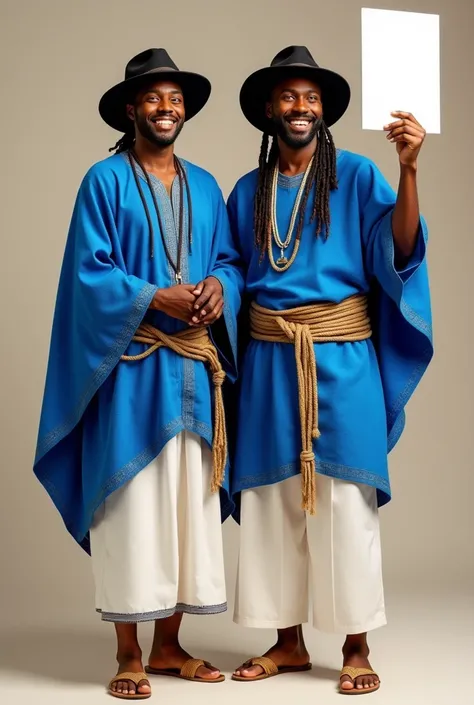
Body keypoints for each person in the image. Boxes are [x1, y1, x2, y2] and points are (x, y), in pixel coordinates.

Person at [34, 48, 243, 700]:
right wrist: (155, 297)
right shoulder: (104, 181)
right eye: (154, 97)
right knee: (131, 506)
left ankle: (172, 644)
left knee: (185, 504)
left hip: (194, 376)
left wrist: (218, 288)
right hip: (131, 370)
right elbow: (88, 274)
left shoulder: (207, 186)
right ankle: (128, 650)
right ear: (131, 109)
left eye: (175, 97)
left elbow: (232, 261)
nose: (166, 107)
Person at [227, 46, 433, 695]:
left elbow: (398, 248)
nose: (300, 106)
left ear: (323, 110)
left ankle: (355, 642)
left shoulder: (359, 173)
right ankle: (285, 641)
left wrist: (409, 171)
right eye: (288, 96)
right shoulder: (247, 191)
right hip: (268, 360)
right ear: (268, 109)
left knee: (345, 503)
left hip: (340, 358)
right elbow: (233, 270)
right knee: (271, 502)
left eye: (310, 97)